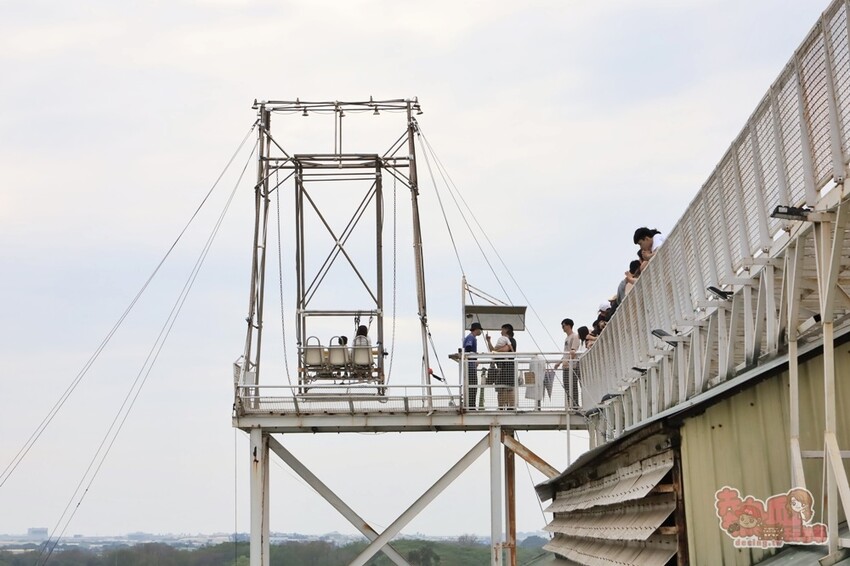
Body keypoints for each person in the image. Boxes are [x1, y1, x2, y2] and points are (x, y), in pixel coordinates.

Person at [485, 323, 515, 408]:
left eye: (502, 329)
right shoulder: (502, 341)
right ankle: (501, 407)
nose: (500, 331)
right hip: (500, 368)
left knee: (509, 388)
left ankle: (511, 407)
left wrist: (496, 351)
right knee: (500, 389)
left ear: (506, 330)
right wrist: (489, 341)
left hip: (508, 367)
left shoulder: (511, 340)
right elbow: (492, 351)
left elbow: (506, 349)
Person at [553, 318, 581, 409]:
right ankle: (570, 404)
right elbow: (566, 352)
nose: (562, 328)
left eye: (563, 325)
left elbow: (573, 351)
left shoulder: (575, 336)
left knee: (573, 386)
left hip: (572, 366)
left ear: (568, 325)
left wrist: (568, 361)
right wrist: (560, 362)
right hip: (566, 366)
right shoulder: (567, 338)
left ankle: (575, 405)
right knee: (567, 386)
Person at [462, 322, 483, 408]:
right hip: (470, 366)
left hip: (470, 366)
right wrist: (474, 358)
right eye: (480, 330)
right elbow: (468, 348)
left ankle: (471, 404)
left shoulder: (471, 337)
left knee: (472, 385)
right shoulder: (471, 337)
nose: (480, 332)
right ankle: (471, 405)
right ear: (477, 329)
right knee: (473, 385)